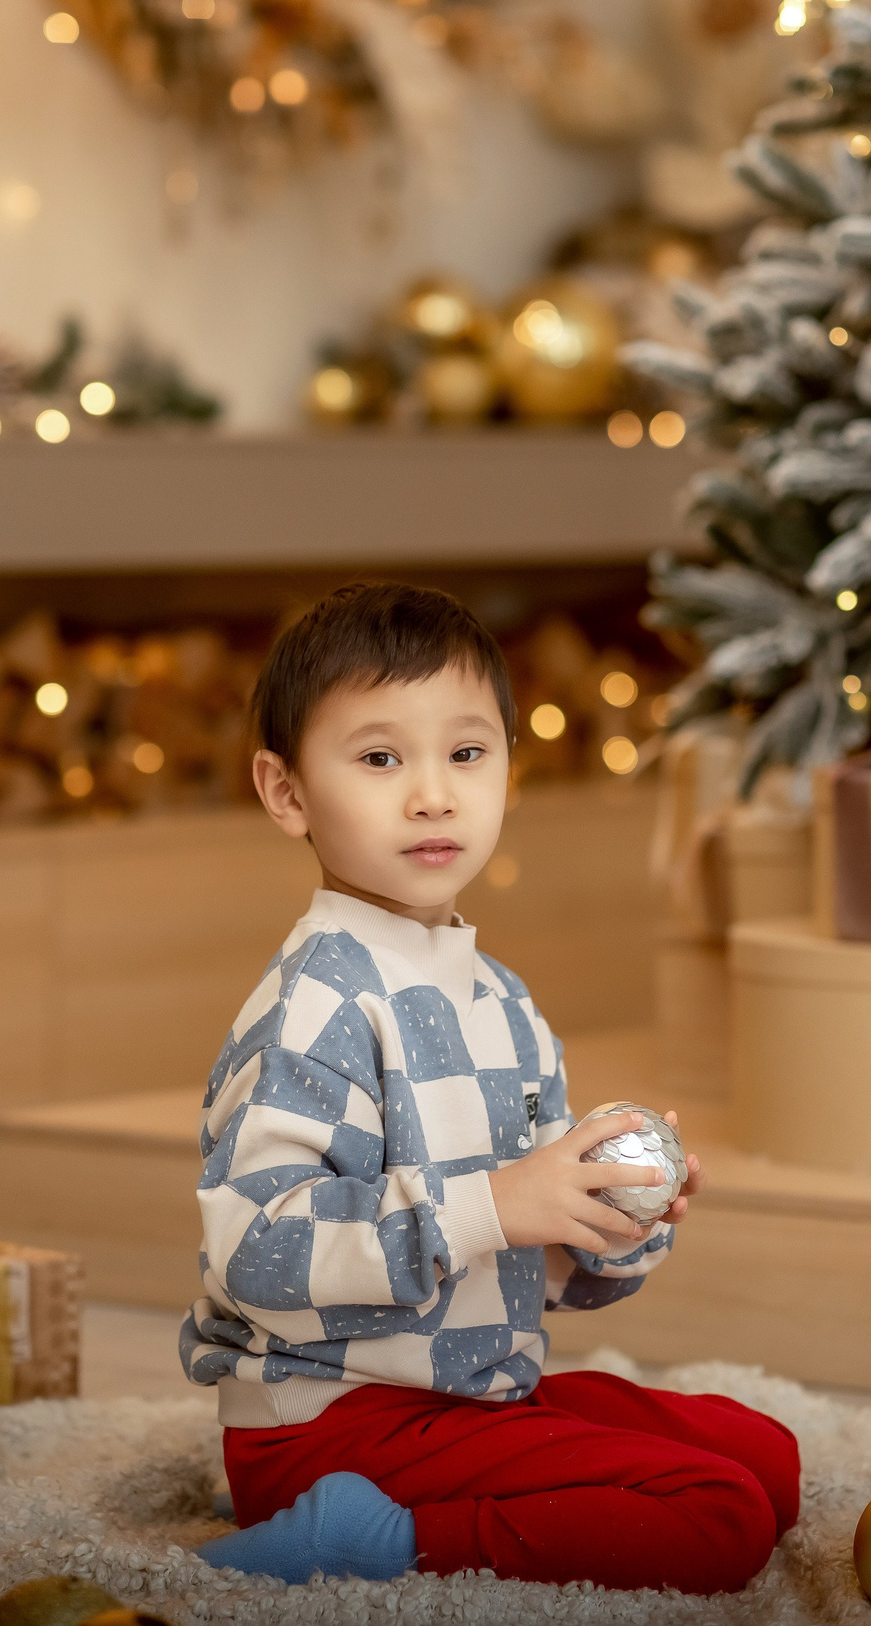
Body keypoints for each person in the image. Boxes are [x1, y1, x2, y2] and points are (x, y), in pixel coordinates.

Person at [180, 582, 800, 1594]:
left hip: (465, 1396)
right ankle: (358, 1532)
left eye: (467, 754)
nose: (434, 795)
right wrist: (493, 1203)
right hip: (331, 1416)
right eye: (380, 759)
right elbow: (258, 1251)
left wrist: (609, 1222)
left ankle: (441, 1496)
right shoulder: (317, 1002)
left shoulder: (499, 1000)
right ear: (286, 791)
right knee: (717, 1517)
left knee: (766, 1460)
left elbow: (525, 1265)